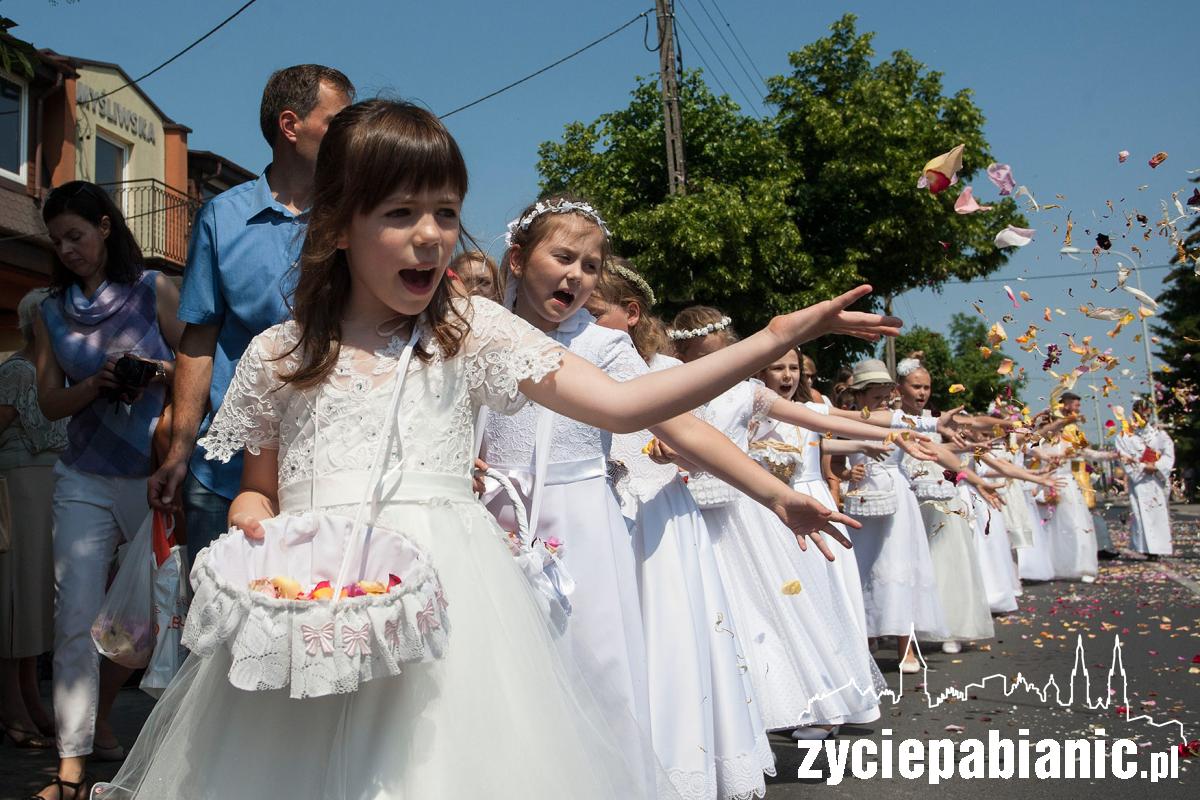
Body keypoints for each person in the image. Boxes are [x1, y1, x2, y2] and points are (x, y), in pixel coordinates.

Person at [94, 99, 904, 800]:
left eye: (446, 213)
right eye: (401, 214)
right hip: (318, 615)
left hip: (455, 611)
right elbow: (257, 489)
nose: (429, 237)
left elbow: (626, 406)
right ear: (339, 225)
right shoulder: (281, 355)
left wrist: (776, 336)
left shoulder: (469, 332)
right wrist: (252, 521)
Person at [484, 202, 867, 792]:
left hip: (584, 521)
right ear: (517, 259)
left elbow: (682, 425)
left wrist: (774, 494)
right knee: (506, 671)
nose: (576, 275)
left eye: (590, 265)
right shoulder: (480, 330)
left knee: (595, 666)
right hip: (494, 519)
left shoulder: (604, 347)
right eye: (562, 257)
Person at [670, 311, 933, 733]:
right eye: (700, 360)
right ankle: (712, 716)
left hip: (742, 514)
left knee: (766, 610)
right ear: (679, 356)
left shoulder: (745, 393)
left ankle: (801, 704)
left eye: (720, 359)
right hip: (683, 513)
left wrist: (911, 425)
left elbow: (822, 421)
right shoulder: (667, 390)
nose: (711, 371)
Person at [147, 65, 354, 563]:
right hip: (226, 471)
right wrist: (178, 450)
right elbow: (198, 340)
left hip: (332, 466)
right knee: (215, 626)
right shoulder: (222, 218)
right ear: (291, 125)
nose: (353, 137)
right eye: (339, 123)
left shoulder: (357, 216)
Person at [586, 261, 775, 798]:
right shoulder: (561, 353)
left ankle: (678, 760)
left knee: (667, 630)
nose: (582, 315)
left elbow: (691, 430)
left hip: (658, 508)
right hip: (608, 508)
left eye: (596, 311)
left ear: (631, 315)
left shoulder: (648, 370)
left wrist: (774, 493)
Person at [32, 181, 183, 800]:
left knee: (162, 615)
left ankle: (161, 744)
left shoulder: (153, 288)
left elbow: (194, 365)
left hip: (152, 476)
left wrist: (152, 373)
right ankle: (69, 764)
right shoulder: (48, 309)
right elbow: (48, 404)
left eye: (77, 234)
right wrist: (95, 383)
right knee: (74, 618)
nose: (68, 249)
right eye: (58, 241)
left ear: (104, 226)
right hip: (83, 477)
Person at [0, 289, 67, 750]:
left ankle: (28, 696)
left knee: (35, 600)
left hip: (47, 489)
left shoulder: (55, 375)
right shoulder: (18, 372)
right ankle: (11, 705)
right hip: (19, 488)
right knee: (16, 597)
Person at [1114, 399, 1175, 558]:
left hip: (1156, 480)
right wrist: (1142, 468)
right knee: (1142, 515)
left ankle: (1159, 548)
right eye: (1141, 413)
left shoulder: (1159, 435)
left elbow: (1168, 455)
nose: (1144, 417)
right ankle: (1146, 549)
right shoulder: (1124, 437)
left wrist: (1157, 466)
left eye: (1147, 414)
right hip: (1140, 482)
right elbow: (1124, 458)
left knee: (1158, 515)